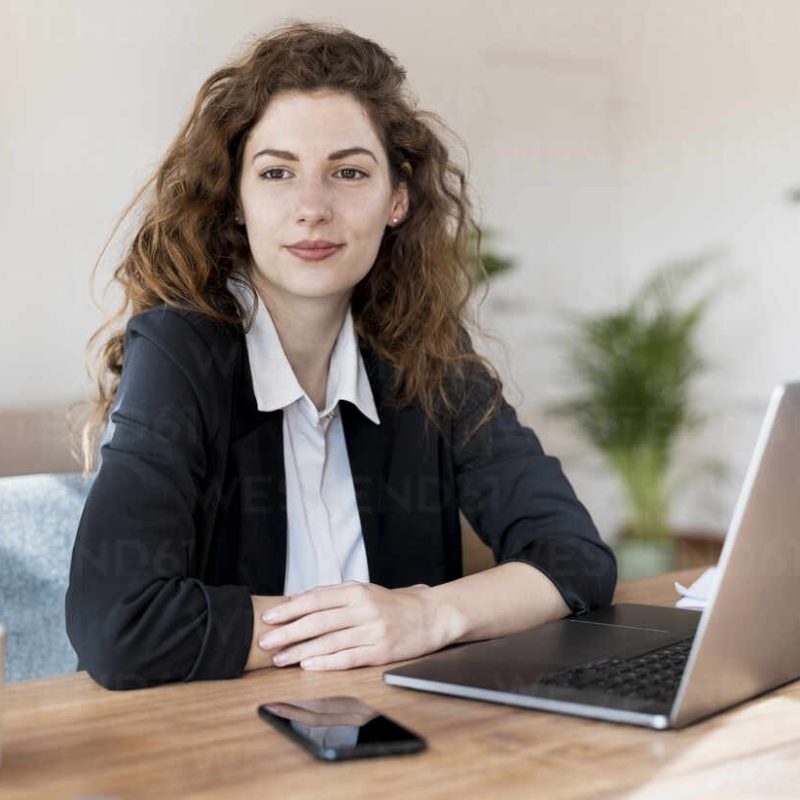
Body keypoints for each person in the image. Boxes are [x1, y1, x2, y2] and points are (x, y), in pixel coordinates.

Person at [66, 20, 617, 691]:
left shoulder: (427, 353)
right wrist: (352, 626)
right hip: (208, 745)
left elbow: (575, 558)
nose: (312, 207)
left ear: (397, 199)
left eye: (349, 172)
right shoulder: (179, 351)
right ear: (235, 202)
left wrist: (424, 614)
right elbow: (120, 626)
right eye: (277, 173)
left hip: (396, 737)